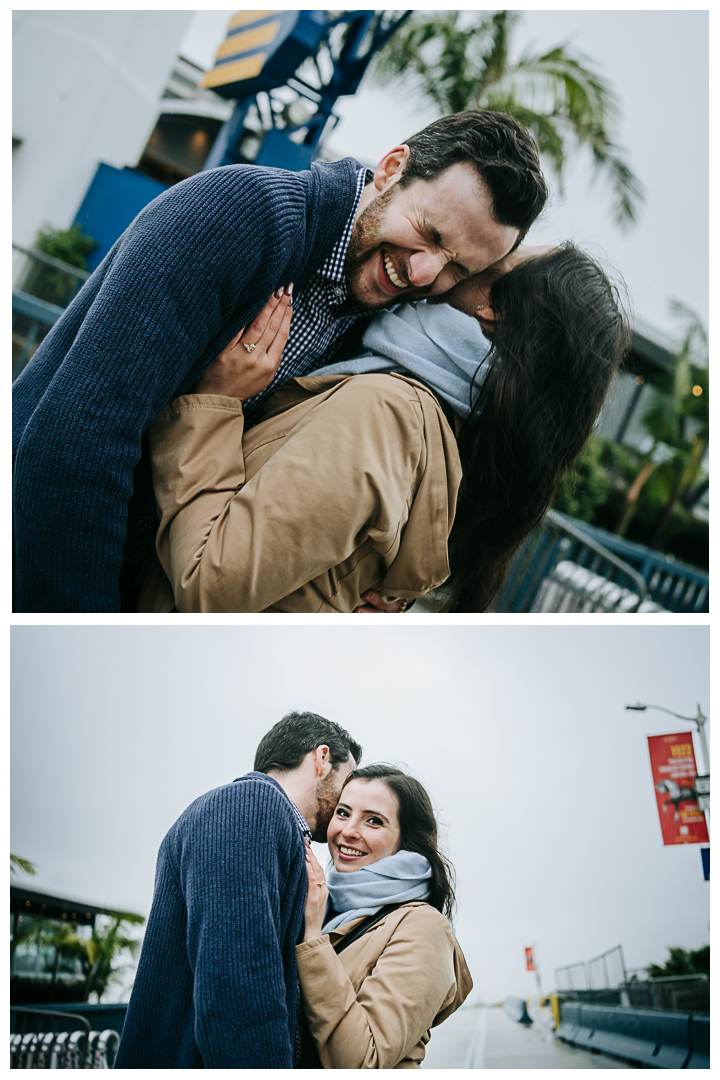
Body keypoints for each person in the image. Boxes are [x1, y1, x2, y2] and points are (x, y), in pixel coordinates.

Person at [12, 109, 548, 612]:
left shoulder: (377, 319)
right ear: (390, 170)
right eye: (430, 233)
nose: (426, 274)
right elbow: (79, 442)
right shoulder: (238, 215)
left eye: (457, 267)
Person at [136, 242, 627, 614]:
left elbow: (211, 582)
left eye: (499, 260)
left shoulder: (386, 413)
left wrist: (214, 403)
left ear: (493, 309)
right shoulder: (447, 424)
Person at [114, 711, 362, 1069]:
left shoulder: (245, 813)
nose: (347, 798)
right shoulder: (250, 806)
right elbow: (238, 994)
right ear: (322, 758)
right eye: (349, 780)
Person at [297, 764, 472, 1068]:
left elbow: (364, 1061)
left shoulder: (423, 926)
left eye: (373, 821)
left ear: (405, 840)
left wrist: (312, 938)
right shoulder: (324, 905)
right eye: (343, 813)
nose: (348, 831)